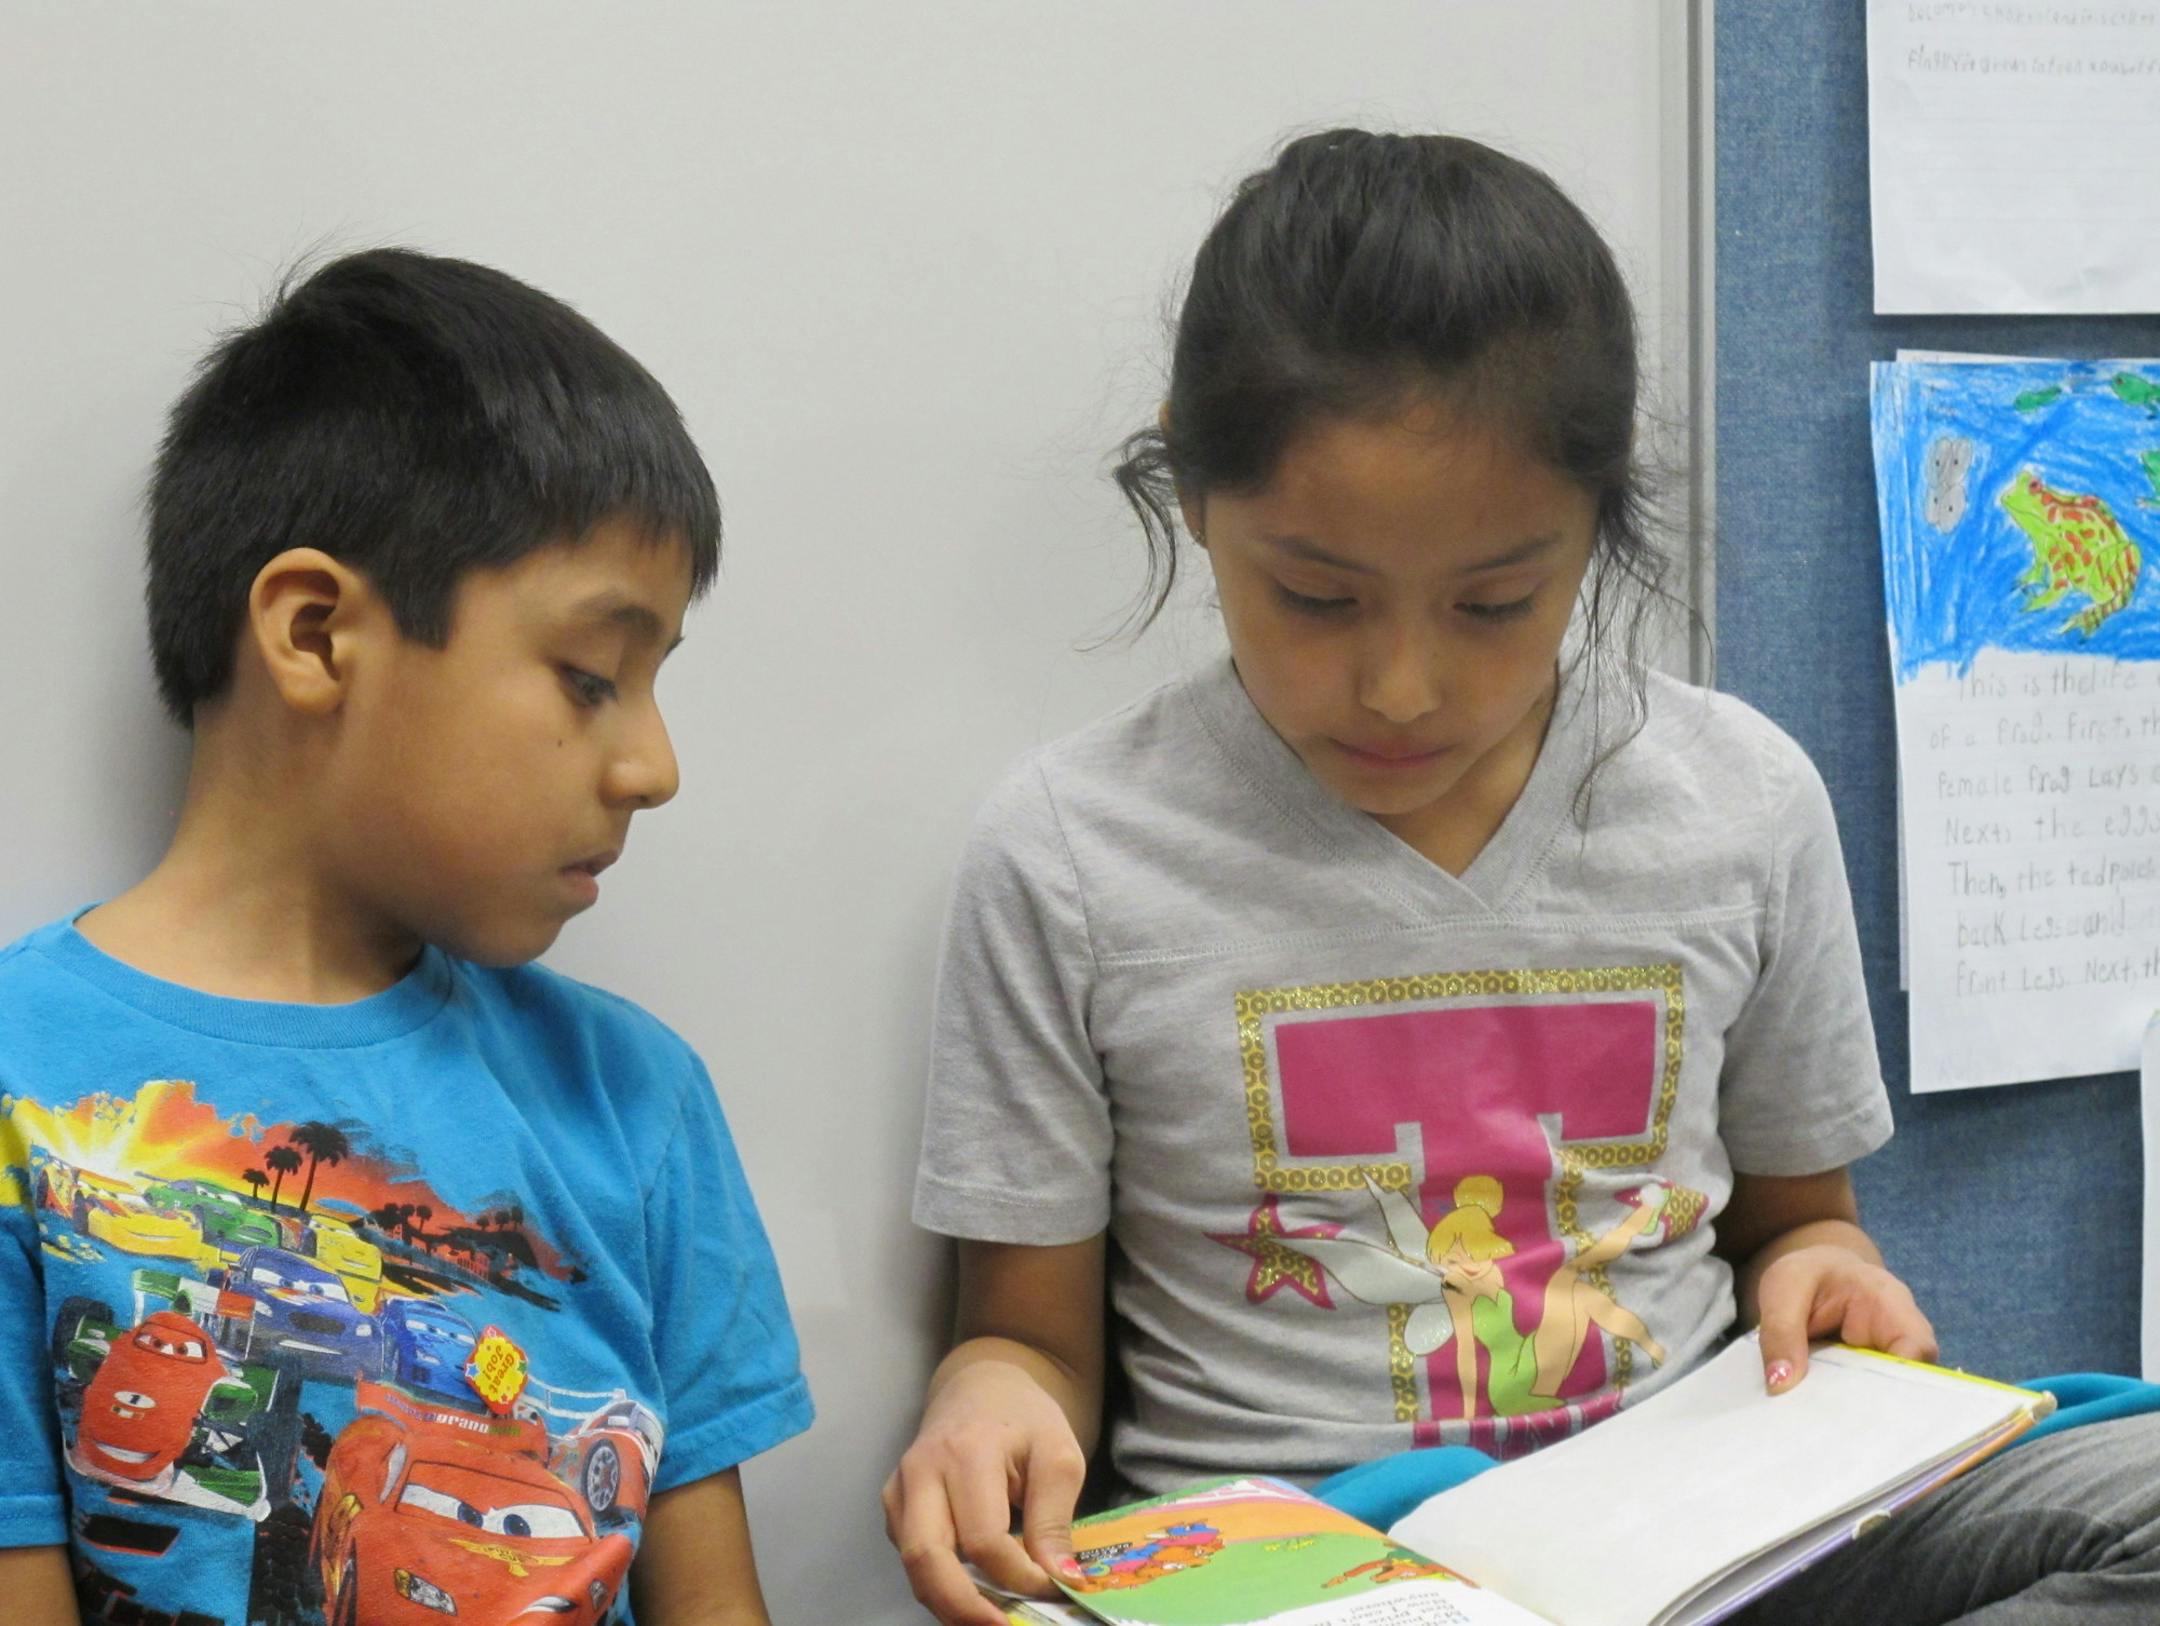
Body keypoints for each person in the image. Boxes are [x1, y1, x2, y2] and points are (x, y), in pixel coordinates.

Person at [883, 129, 2160, 1625]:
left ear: (1596, 524)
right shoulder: (1072, 852)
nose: (1404, 685)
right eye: (1314, 595)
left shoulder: (1738, 799)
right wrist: (986, 1401)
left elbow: (1801, 1223)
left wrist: (1828, 1269)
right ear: (1190, 488)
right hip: (1307, 1570)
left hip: (1703, 1532)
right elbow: (1028, 1344)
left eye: (1497, 600)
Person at [0, 249, 812, 1625]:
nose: (653, 765)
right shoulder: (23, 1075)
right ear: (317, 634)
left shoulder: (635, 1101)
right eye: (590, 677)